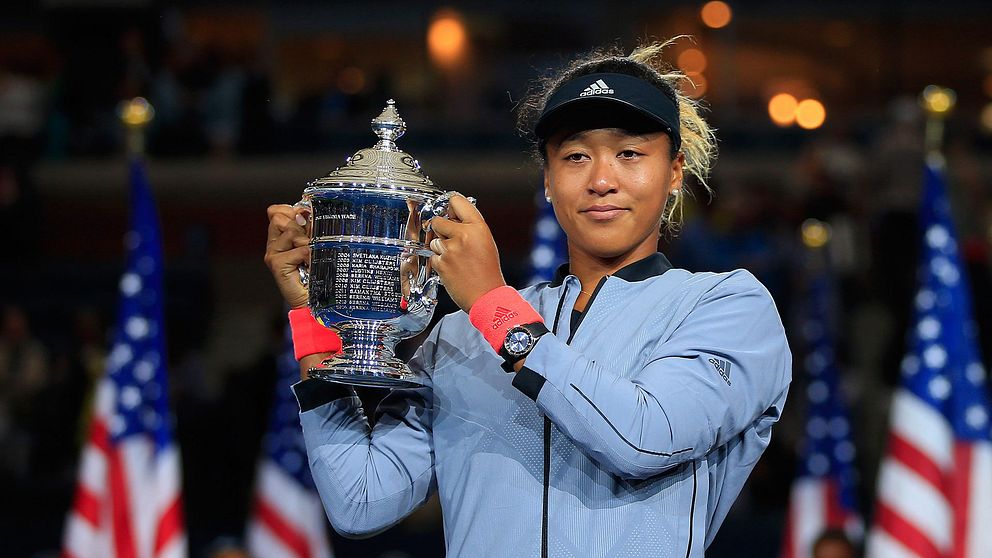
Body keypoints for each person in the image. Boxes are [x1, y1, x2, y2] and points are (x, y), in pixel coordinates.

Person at [264, 39, 791, 557]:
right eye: (576, 156)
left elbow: (643, 440)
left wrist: (493, 305)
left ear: (674, 172)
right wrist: (317, 324)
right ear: (548, 180)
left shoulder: (728, 307)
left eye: (630, 154)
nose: (602, 179)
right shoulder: (459, 335)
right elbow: (362, 502)